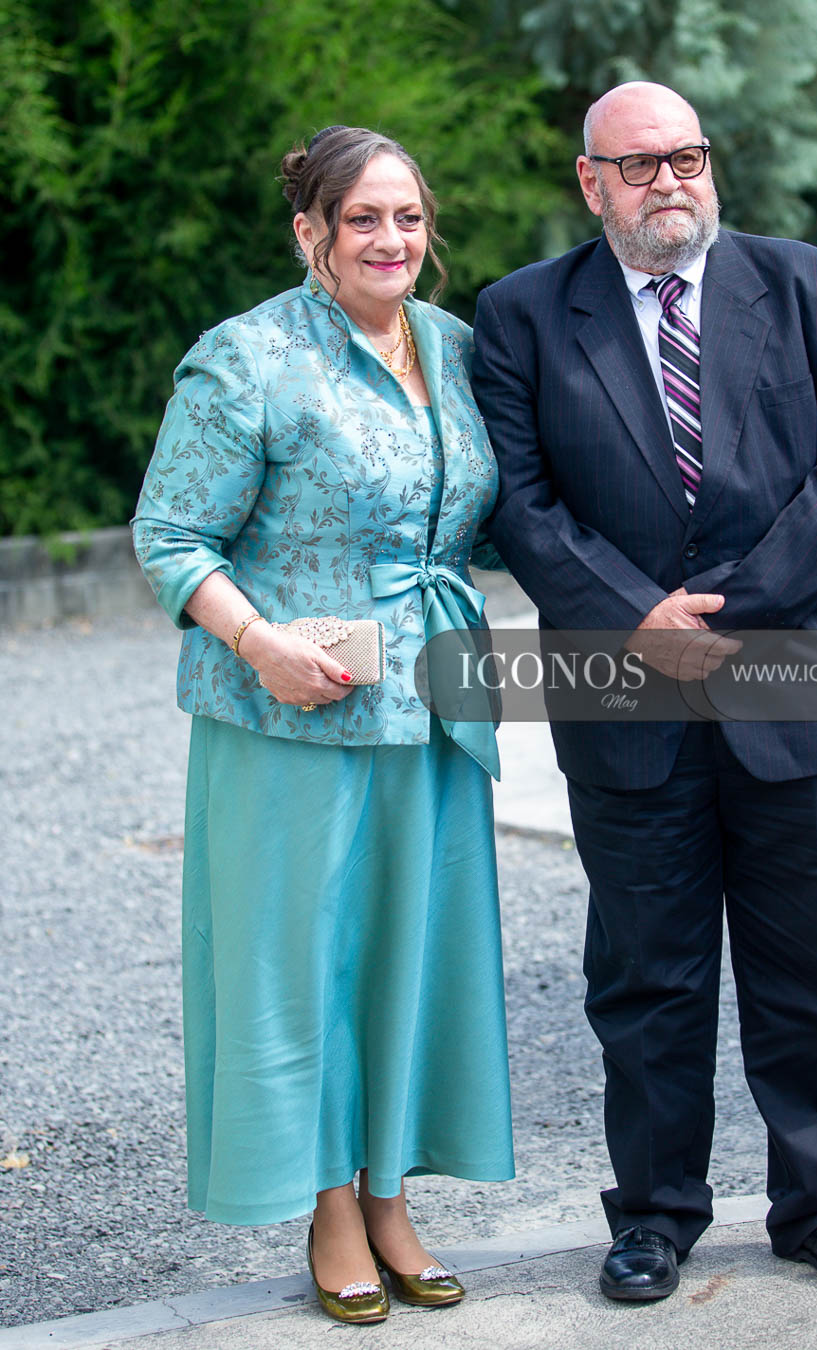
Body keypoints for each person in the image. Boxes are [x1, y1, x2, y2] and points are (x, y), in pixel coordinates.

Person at [471, 82, 817, 1301]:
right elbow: (518, 501)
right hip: (622, 696)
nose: (669, 181)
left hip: (794, 678)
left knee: (809, 977)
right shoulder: (521, 315)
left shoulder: (815, 289)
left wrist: (726, 610)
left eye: (687, 157)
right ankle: (654, 1217)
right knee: (645, 982)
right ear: (590, 180)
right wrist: (633, 618)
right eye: (640, 163)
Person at [132, 125, 513, 1326]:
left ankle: (390, 1195)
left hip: (435, 704)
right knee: (303, 968)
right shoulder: (245, 358)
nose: (390, 239)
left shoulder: (457, 347)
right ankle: (329, 1207)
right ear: (310, 232)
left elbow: (491, 515)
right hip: (292, 713)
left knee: (411, 958)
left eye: (408, 217)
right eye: (362, 219)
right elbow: (169, 537)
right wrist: (260, 643)